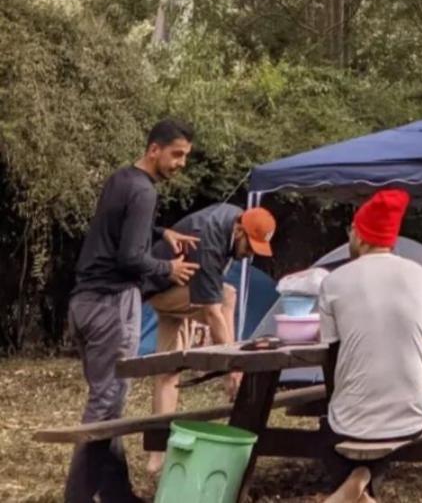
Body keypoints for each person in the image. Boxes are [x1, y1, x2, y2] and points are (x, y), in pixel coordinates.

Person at [64, 119, 199, 503]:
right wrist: (168, 268)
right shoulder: (144, 192)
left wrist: (161, 233)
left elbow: (118, 227)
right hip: (111, 303)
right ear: (154, 149)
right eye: (176, 154)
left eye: (185, 156)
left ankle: (116, 493)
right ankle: (76, 497)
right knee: (106, 404)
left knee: (109, 401)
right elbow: (129, 258)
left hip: (83, 303)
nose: (181, 163)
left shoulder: (121, 179)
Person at [317, 189, 422, 503]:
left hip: (351, 425)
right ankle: (363, 484)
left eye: (352, 230)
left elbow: (329, 344)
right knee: (385, 414)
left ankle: (357, 478)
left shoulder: (333, 281)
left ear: (360, 234)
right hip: (413, 416)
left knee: (329, 425)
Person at [145, 203, 277, 473]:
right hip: (159, 290)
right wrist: (233, 366)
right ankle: (234, 373)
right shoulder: (210, 239)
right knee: (226, 296)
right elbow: (213, 310)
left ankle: (156, 457)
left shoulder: (231, 221)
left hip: (177, 287)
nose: (249, 255)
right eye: (249, 247)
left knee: (167, 369)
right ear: (239, 230)